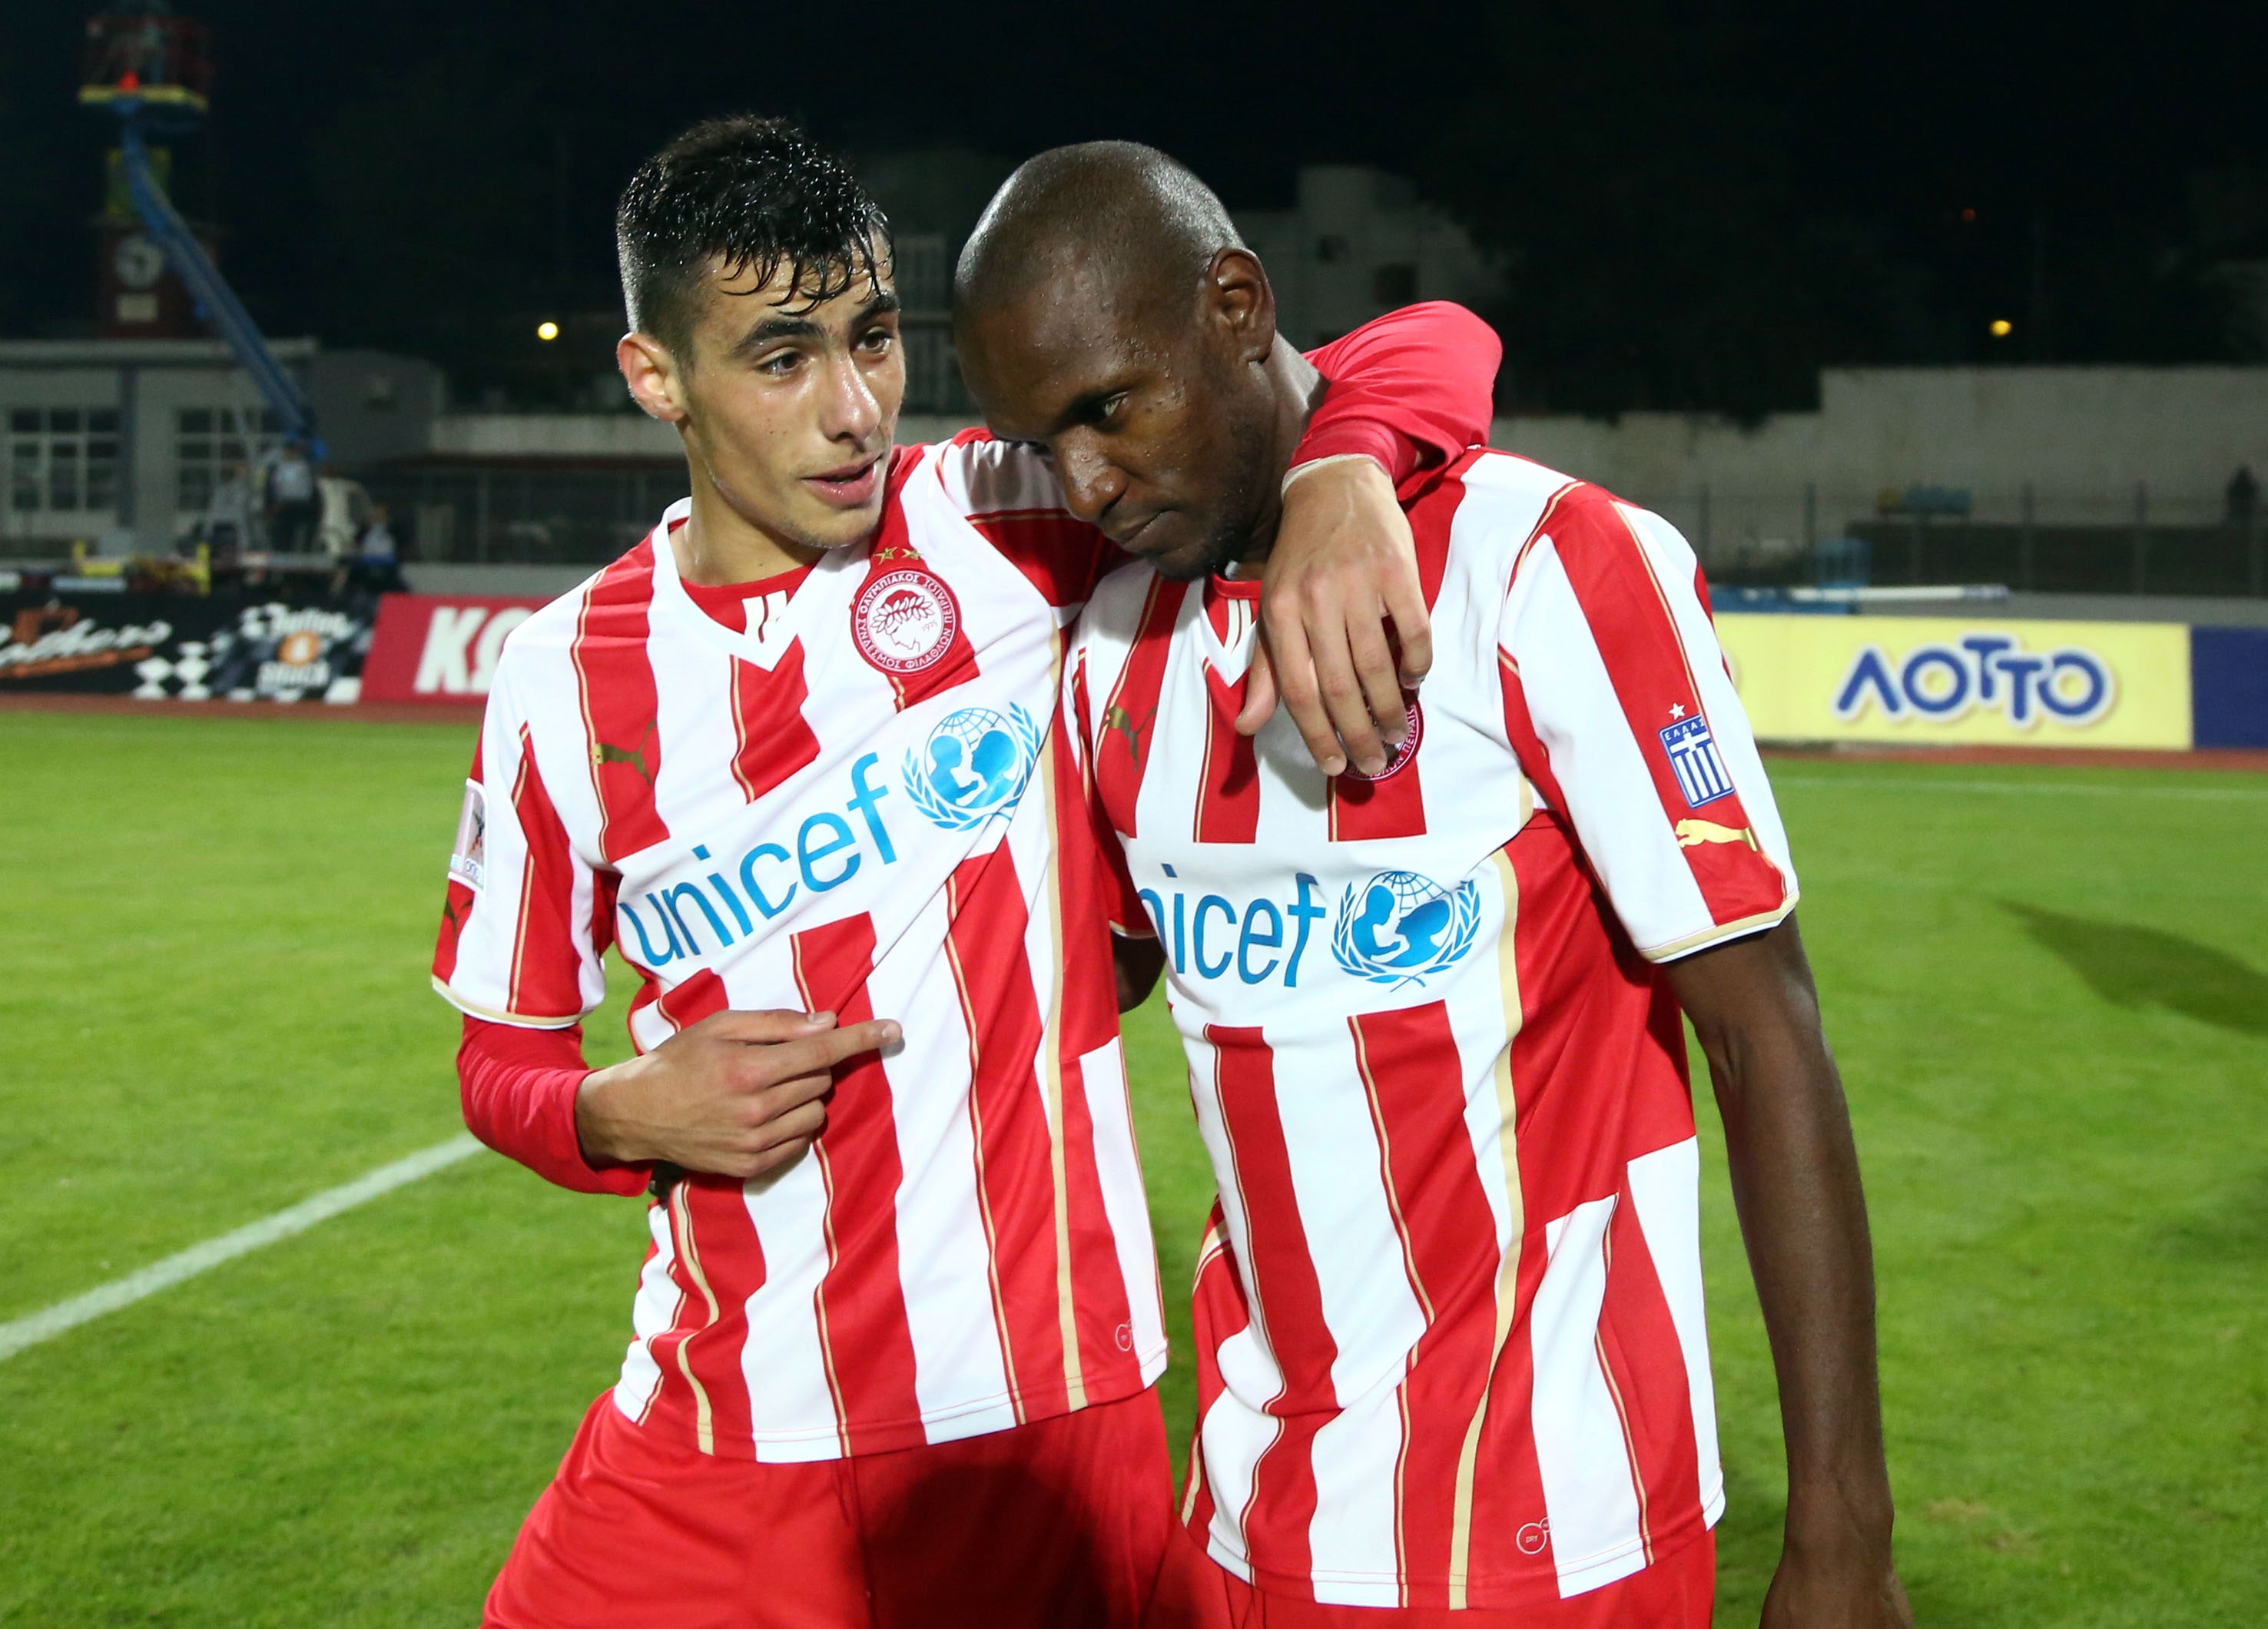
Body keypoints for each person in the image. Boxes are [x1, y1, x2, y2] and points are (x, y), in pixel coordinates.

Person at [432, 116, 1499, 1629]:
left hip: (1047, 1418)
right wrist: (612, 1111)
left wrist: (1343, 471)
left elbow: (1429, 342)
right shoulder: (562, 679)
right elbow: (500, 1059)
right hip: (725, 1432)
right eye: (782, 359)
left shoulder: (999, 520)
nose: (852, 410)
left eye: (872, 340)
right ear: (656, 376)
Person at [955, 142, 1913, 1629]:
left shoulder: (1548, 566)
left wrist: (1843, 1541)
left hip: (1543, 1529)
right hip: (1243, 1518)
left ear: (1235, 306)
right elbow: (1093, 969)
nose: (1084, 482)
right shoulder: (1111, 645)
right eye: (1042, 440)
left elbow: (1764, 1036)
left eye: (1109, 408)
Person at [264, 440, 319, 552]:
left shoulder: (304, 468)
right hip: (283, 506)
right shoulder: (279, 468)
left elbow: (309, 489)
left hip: (300, 505)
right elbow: (273, 488)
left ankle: (300, 549)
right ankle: (283, 548)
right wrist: (273, 505)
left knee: (297, 528)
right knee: (282, 530)